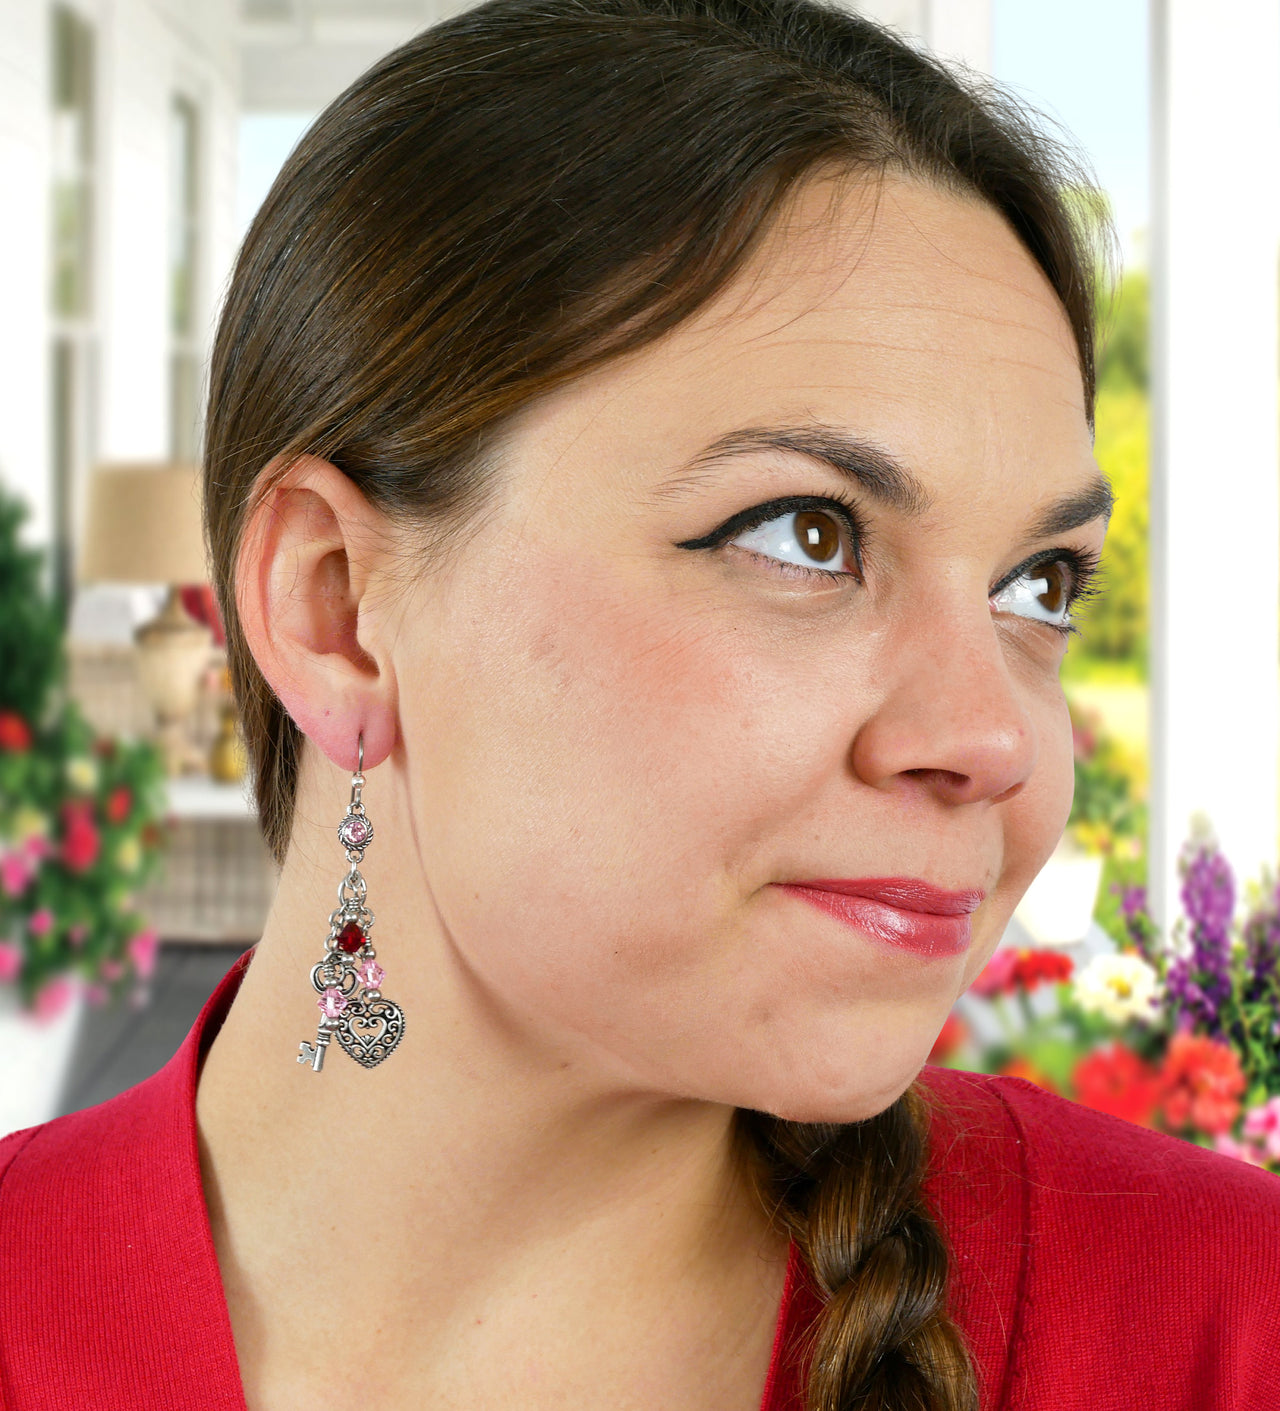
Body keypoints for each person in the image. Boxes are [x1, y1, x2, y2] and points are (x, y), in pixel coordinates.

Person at [2, 0, 1278, 1406]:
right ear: (334, 609)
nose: (995, 740)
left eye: (1038, 585)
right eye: (807, 533)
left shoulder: (1221, 1324)